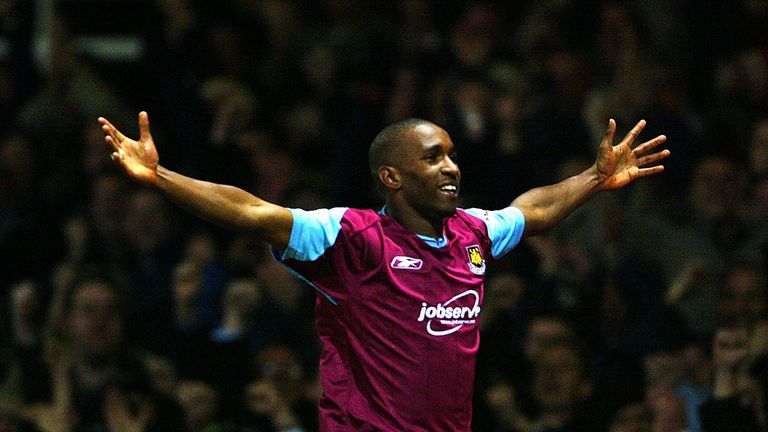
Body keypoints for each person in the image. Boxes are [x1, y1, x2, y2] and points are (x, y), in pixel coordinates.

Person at [98, 111, 669, 431]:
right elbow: (252, 211)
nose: (451, 166)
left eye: (450, 153)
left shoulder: (473, 233)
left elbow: (534, 211)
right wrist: (162, 178)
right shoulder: (350, 239)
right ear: (392, 178)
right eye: (432, 157)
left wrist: (594, 179)